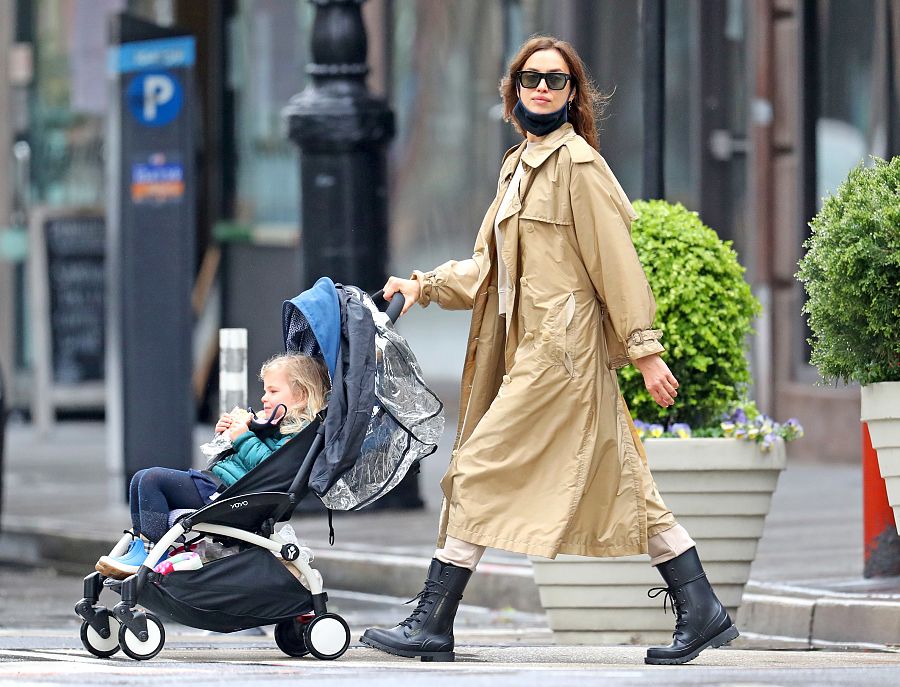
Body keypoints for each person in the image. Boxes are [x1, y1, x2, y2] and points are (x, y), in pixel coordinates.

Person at [360, 36, 737, 665]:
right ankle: (701, 609)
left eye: (556, 80)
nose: (542, 88)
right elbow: (489, 267)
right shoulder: (517, 166)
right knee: (635, 491)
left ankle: (434, 619)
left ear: (572, 94)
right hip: (532, 351)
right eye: (531, 78)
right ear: (513, 92)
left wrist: (646, 352)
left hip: (561, 359)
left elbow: (618, 265)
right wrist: (421, 286)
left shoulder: (579, 167)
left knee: (476, 469)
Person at [95, 353, 329, 579]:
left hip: (228, 496)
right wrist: (227, 433)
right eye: (265, 390)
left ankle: (151, 553)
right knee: (139, 478)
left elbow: (272, 466)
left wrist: (243, 436)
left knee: (151, 480)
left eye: (273, 391)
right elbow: (242, 456)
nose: (264, 398)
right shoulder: (273, 424)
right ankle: (142, 546)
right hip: (218, 483)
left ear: (301, 394)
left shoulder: (298, 435)